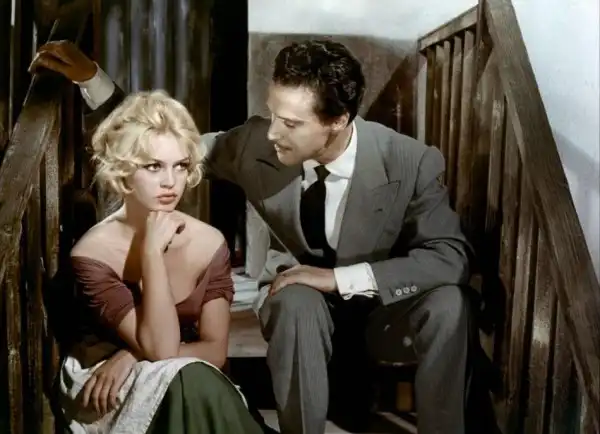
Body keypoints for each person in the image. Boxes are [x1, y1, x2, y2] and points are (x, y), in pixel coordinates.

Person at [31, 39, 498, 434]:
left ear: (338, 121)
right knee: (295, 299)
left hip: (387, 313)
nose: (273, 132)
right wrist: (92, 80)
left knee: (451, 302)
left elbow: (451, 257)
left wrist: (337, 278)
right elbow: (160, 141)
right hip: (301, 309)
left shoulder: (410, 160)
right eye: (273, 114)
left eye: (290, 123)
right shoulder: (258, 144)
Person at [53, 89, 263, 433]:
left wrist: (131, 354)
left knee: (193, 379)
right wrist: (151, 252)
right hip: (108, 379)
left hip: (186, 372)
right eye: (153, 167)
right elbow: (163, 349)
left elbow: (215, 350)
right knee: (191, 381)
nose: (170, 182)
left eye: (180, 166)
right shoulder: (93, 253)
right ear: (123, 171)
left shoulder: (209, 242)